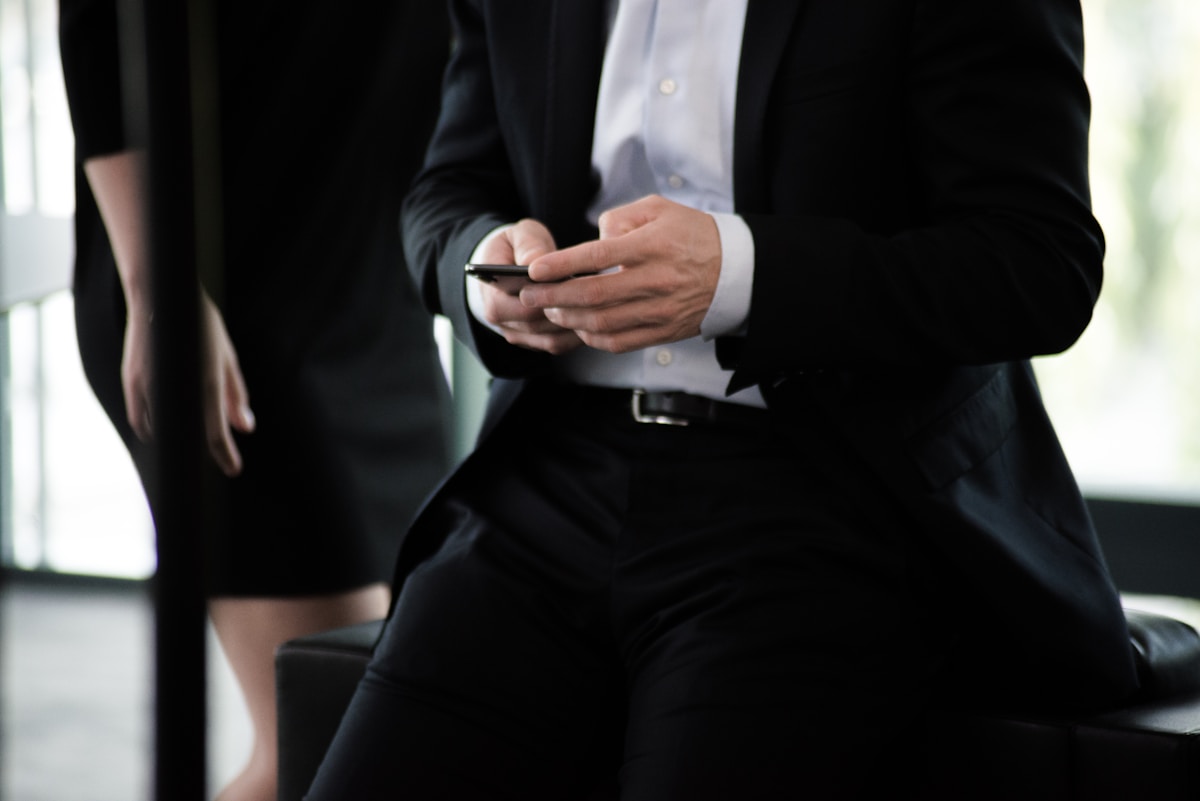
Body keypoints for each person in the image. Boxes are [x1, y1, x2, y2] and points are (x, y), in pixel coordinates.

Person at [307, 1, 1139, 798]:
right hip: (546, 476)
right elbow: (444, 189)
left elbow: (1039, 261)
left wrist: (739, 276)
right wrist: (482, 268)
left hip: (820, 494)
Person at [57, 2, 452, 799]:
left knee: (395, 721)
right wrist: (161, 284)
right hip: (223, 300)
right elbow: (101, 28)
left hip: (378, 291)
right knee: (320, 739)